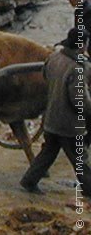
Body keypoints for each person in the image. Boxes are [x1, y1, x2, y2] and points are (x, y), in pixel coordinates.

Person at [20, 28, 91, 197]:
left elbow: (46, 75)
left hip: (51, 119)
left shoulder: (54, 57)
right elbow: (79, 100)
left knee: (47, 154)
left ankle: (29, 181)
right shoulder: (78, 68)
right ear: (81, 46)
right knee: (81, 158)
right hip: (69, 124)